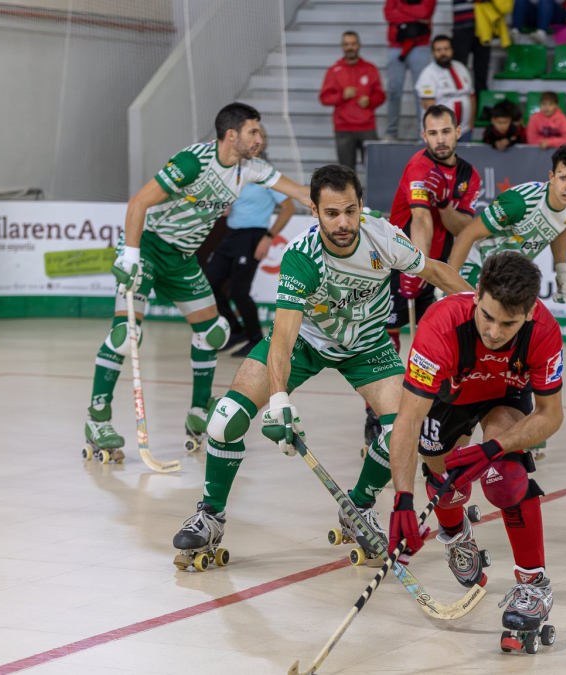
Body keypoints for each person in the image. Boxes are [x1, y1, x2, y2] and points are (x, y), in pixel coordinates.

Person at [171, 165, 473, 571]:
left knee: (401, 430)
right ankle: (210, 515)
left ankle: (358, 508)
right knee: (224, 421)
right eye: (332, 213)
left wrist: (483, 308)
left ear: (361, 205)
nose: (343, 222)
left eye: (350, 210)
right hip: (307, 344)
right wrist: (279, 401)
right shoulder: (302, 257)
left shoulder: (382, 237)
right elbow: (283, 338)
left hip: (367, 346)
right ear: (314, 211)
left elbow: (436, 271)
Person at [81, 103, 313, 463]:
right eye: (254, 131)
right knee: (126, 335)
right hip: (148, 249)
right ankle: (98, 419)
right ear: (232, 134)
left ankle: (198, 413)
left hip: (182, 260)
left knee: (214, 332)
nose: (260, 139)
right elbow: (139, 202)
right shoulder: (193, 163)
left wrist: (344, 206)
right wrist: (128, 254)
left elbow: (299, 192)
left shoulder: (249, 169)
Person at [385, 251, 566, 653]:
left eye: (509, 323)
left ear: (531, 311)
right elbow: (408, 419)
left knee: (505, 481)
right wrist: (402, 498)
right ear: (476, 294)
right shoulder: (441, 325)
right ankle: (454, 533)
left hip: (505, 394)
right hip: (451, 396)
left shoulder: (543, 331)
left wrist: (494, 447)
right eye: (487, 316)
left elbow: (551, 415)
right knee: (445, 482)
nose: (495, 332)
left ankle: (533, 585)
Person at [388, 105, 482, 359]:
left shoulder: (469, 175)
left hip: (438, 262)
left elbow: (463, 229)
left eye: (446, 131)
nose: (440, 139)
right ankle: (376, 400)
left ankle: (429, 395)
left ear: (458, 132)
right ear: (424, 135)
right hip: (401, 257)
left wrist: (443, 204)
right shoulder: (419, 166)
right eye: (433, 133)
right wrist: (416, 264)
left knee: (434, 335)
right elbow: (420, 218)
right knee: (389, 332)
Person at [448, 144, 566, 295]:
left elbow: (561, 225)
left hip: (509, 276)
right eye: (563, 178)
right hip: (477, 264)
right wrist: (448, 281)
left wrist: (562, 271)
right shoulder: (519, 203)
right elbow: (467, 234)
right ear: (552, 177)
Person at [204, 128, 296, 358]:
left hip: (253, 236)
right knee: (209, 283)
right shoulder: (236, 171)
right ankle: (236, 331)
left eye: (258, 136)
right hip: (232, 233)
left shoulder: (267, 174)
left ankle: (255, 339)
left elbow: (289, 208)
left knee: (239, 291)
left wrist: (268, 237)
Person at [320, 31, 386, 171]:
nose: (350, 47)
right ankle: (352, 194)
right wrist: (341, 96)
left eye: (353, 44)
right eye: (346, 44)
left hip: (367, 126)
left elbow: (380, 95)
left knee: (374, 169)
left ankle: (372, 194)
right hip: (343, 127)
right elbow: (324, 97)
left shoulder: (370, 69)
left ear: (359, 45)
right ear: (342, 46)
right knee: (346, 172)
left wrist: (370, 100)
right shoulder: (334, 70)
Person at [385, 0, 437, 140]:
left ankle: (423, 133)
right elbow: (389, 14)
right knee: (394, 91)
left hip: (420, 45)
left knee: (422, 93)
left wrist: (401, 8)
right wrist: (417, 17)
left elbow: (425, 12)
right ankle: (391, 133)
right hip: (396, 45)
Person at [417, 36, 477, 140]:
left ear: (452, 50)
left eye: (446, 49)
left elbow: (471, 97)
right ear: (433, 52)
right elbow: (430, 109)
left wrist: (471, 124)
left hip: (465, 131)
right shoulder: (428, 74)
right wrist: (444, 133)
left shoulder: (461, 67)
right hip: (440, 136)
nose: (443, 53)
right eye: (438, 50)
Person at [451, 0, 491, 93]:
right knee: (458, 70)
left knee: (481, 74)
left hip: (483, 29)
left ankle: (480, 105)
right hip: (461, 28)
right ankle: (458, 102)